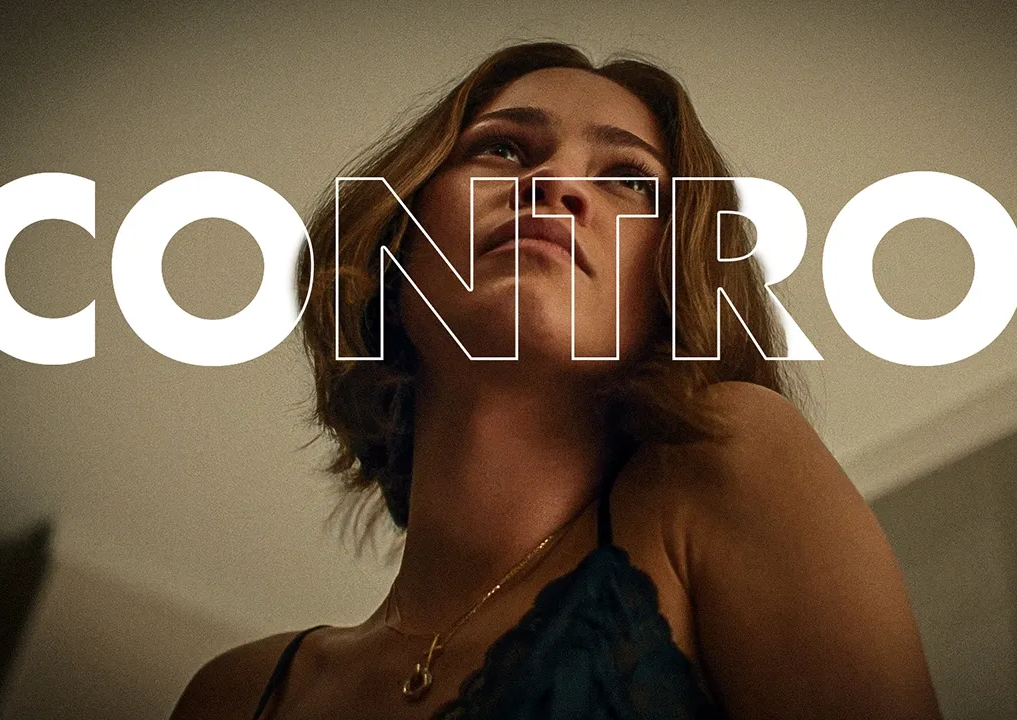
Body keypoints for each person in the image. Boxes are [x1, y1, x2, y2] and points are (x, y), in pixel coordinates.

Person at [170, 42, 942, 719]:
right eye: (503, 150)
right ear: (397, 241)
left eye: (630, 181)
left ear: (675, 283)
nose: (556, 182)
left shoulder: (726, 463)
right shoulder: (235, 696)